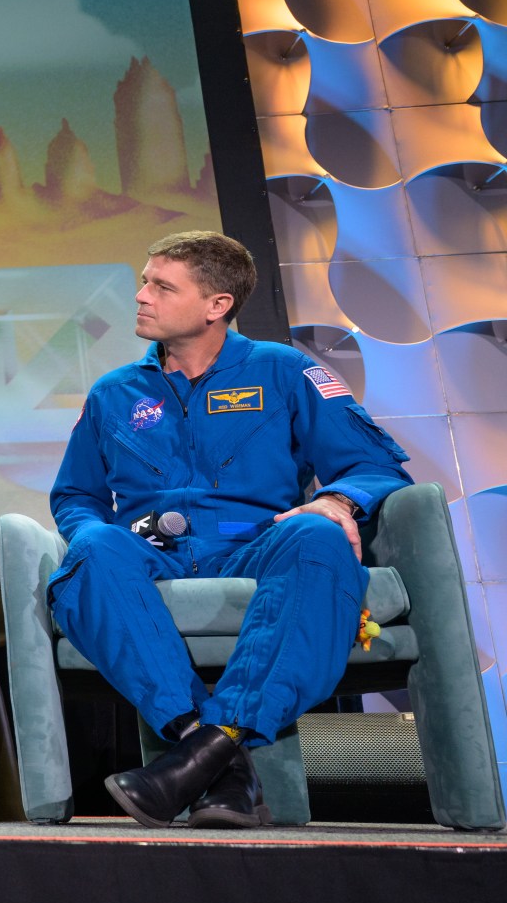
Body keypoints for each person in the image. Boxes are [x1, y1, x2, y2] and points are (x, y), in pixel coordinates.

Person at [49, 231, 412, 828]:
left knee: (318, 537)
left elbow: (372, 465)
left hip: (254, 542)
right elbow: (77, 496)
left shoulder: (285, 369)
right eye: (145, 281)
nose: (141, 296)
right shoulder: (113, 392)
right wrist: (98, 529)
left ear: (217, 305)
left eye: (161, 286)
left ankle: (200, 752)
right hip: (153, 552)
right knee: (91, 547)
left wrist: (341, 501)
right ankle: (218, 758)